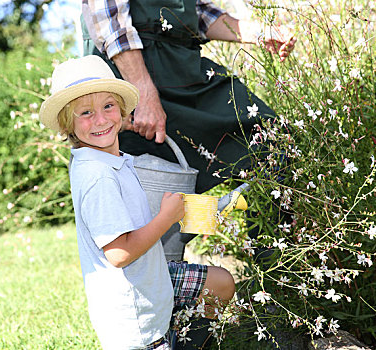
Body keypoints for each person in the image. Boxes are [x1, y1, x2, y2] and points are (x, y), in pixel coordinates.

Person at [39, 55, 235, 350]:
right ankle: (178, 338)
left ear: (121, 109)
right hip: (134, 315)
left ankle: (192, 337)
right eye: (86, 113)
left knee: (220, 283)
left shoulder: (104, 159)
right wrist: (167, 219)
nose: (101, 119)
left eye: (108, 106)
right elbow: (118, 253)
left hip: (150, 277)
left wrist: (119, 127)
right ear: (67, 123)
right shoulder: (98, 177)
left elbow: (100, 130)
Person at [80, 0, 296, 194]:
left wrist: (260, 33)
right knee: (139, 190)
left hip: (184, 67)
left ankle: (270, 237)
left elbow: (197, 12)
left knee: (273, 140)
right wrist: (143, 96)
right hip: (130, 72)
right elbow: (110, 23)